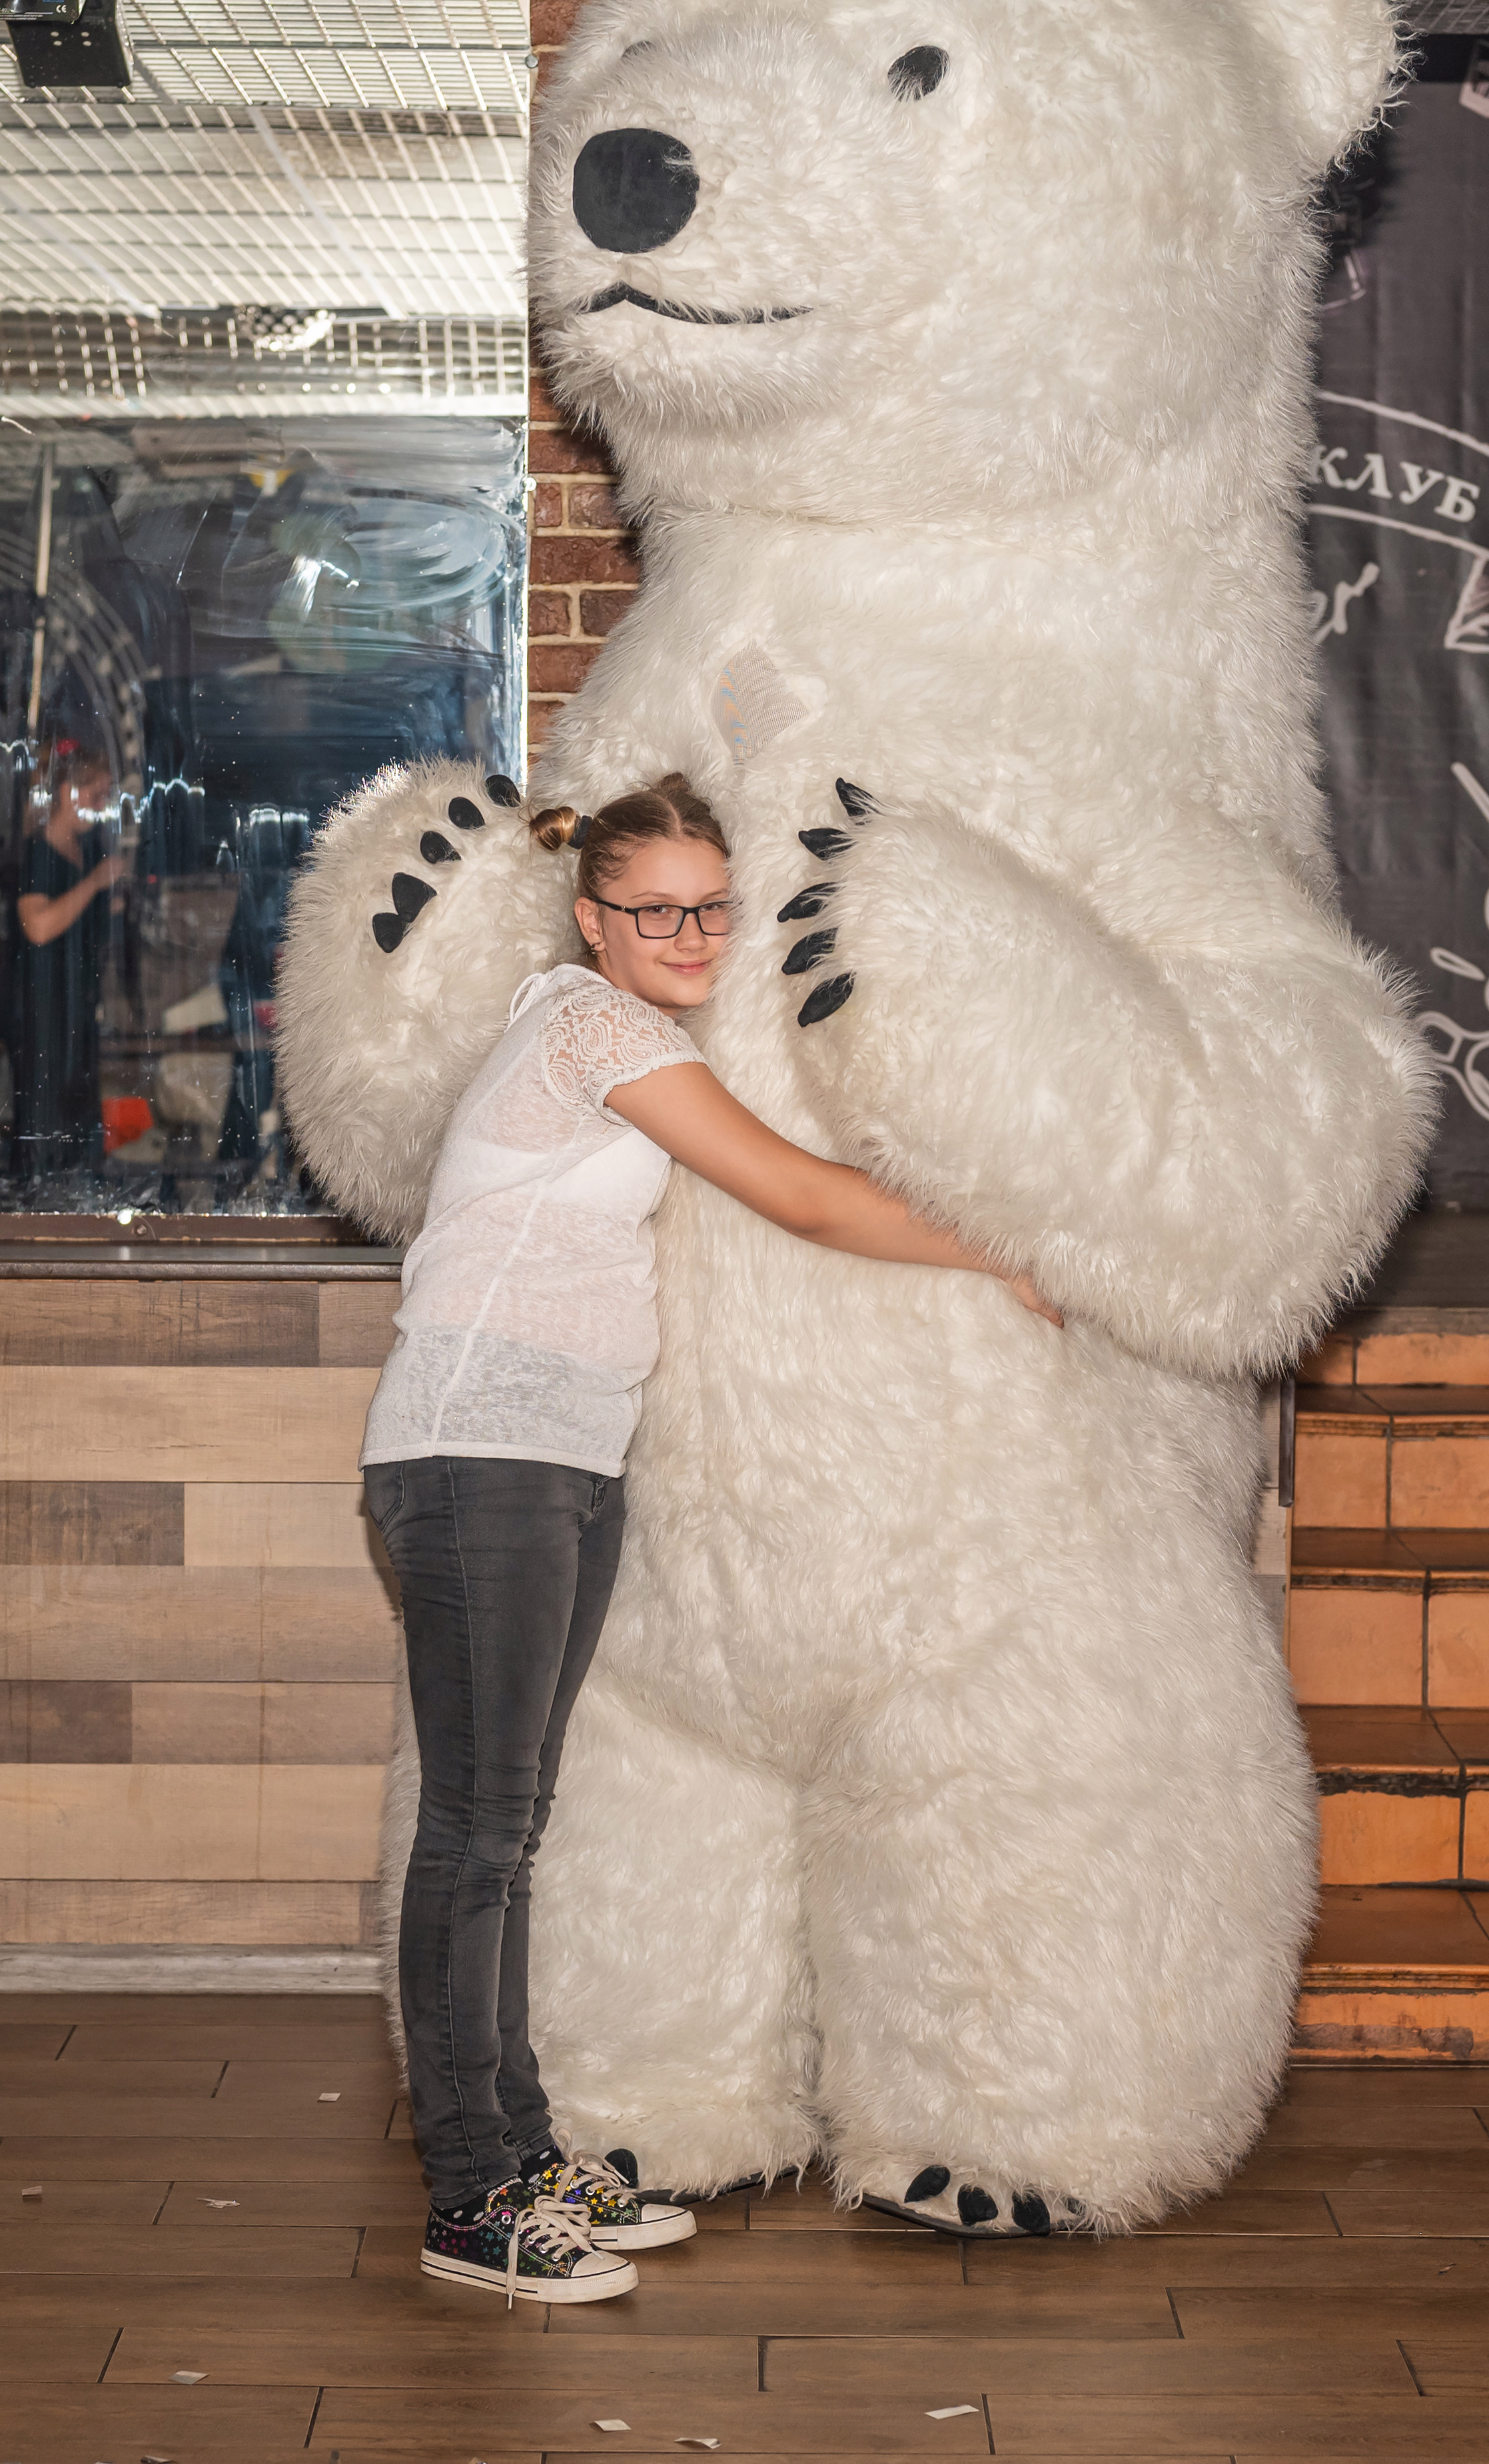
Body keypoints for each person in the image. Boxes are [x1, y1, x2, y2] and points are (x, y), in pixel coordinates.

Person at [360, 769, 1059, 2307]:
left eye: (704, 907)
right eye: (650, 909)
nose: (683, 933)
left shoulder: (623, 1028)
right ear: (593, 917)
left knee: (507, 1831)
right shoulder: (591, 1025)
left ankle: (521, 2154)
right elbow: (798, 1195)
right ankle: (470, 2197)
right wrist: (999, 1246)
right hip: (478, 1450)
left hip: (551, 1454)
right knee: (476, 1836)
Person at [14, 739, 125, 1184]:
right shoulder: (39, 851)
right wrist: (97, 884)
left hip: (78, 992)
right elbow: (38, 926)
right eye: (96, 795)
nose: (101, 806)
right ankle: (39, 1188)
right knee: (46, 1096)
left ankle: (78, 1181)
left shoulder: (89, 849)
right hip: (43, 996)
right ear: (66, 793)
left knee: (78, 1092)